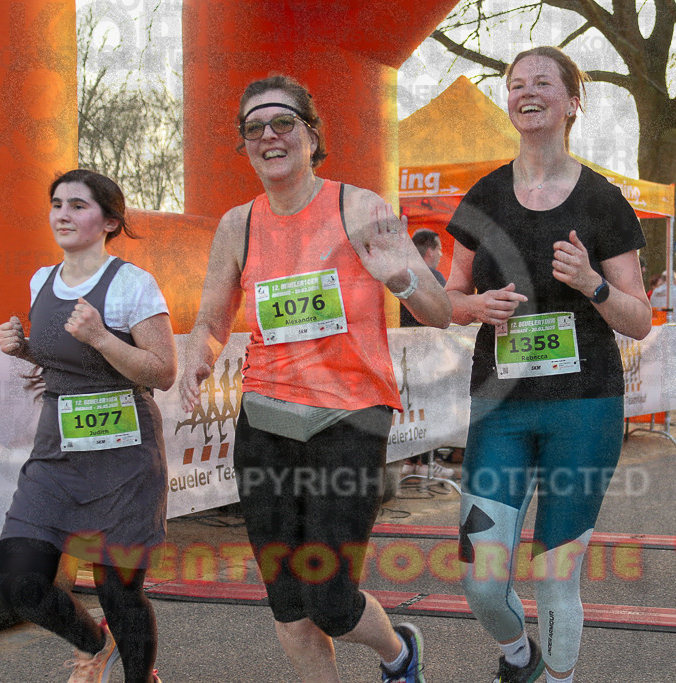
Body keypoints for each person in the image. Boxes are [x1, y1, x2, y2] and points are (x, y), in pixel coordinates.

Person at [178, 75, 450, 683]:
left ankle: (398, 653)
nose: (269, 136)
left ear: (311, 134)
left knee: (328, 599)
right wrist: (199, 351)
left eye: (283, 122)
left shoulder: (359, 207)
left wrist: (400, 278)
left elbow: (438, 311)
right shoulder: (238, 224)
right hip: (266, 420)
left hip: (350, 417)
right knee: (289, 606)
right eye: (254, 128)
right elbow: (213, 321)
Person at [444, 46, 650, 683]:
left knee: (555, 578)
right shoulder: (483, 195)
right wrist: (476, 306)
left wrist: (592, 283)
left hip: (583, 409)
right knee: (482, 582)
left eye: (541, 83)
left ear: (572, 103)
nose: (525, 92)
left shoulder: (602, 200)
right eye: (515, 84)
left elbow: (639, 319)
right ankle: (518, 656)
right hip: (501, 411)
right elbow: (449, 299)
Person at [0, 169, 175, 682]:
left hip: (125, 456)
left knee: (119, 591)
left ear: (110, 221)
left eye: (78, 205)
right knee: (20, 582)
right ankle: (96, 644)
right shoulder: (42, 280)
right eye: (57, 204)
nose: (63, 214)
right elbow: (65, 364)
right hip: (58, 454)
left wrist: (101, 337)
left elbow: (162, 372)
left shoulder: (132, 284)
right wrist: (24, 348)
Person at [399, 229, 455, 479]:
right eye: (440, 249)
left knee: (408, 406)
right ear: (430, 250)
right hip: (428, 355)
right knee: (429, 406)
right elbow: (447, 314)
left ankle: (410, 459)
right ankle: (427, 461)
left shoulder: (398, 275)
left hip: (400, 355)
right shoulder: (433, 277)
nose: (441, 254)